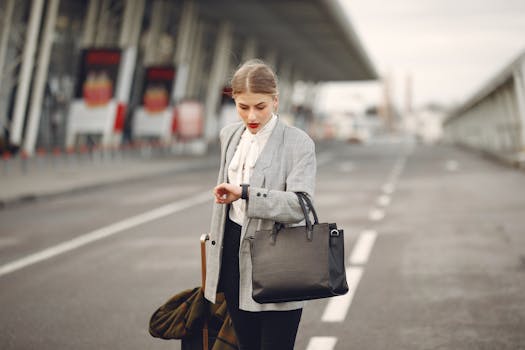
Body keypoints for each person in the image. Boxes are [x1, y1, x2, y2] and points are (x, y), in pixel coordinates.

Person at [204, 59, 317, 350]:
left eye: (260, 106)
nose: (251, 115)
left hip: (279, 263)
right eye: (243, 107)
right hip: (233, 258)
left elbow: (299, 205)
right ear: (234, 101)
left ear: (275, 101)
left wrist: (245, 193)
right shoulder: (229, 136)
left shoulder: (298, 143)